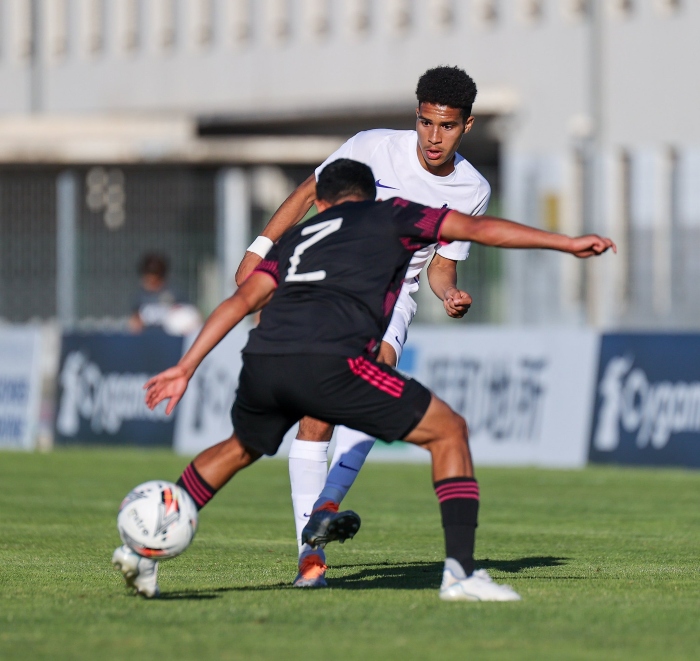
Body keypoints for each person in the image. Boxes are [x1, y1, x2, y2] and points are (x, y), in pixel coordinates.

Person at [112, 159, 616, 601]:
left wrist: (186, 366)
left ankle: (144, 550)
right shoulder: (393, 215)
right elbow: (477, 229)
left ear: (321, 203)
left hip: (265, 359)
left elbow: (241, 300)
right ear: (371, 197)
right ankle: (461, 576)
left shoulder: (296, 240)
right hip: (332, 363)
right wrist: (565, 243)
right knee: (449, 431)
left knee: (238, 448)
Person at [236, 66, 491, 586]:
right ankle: (310, 559)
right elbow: (309, 192)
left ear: (466, 125)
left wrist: (449, 294)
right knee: (316, 415)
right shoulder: (372, 146)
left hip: (392, 293)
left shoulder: (473, 188)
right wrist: (259, 249)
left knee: (378, 373)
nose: (433, 137)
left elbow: (441, 264)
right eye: (425, 122)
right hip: (329, 282)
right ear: (415, 115)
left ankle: (326, 505)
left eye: (446, 126)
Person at [129, 253, 200, 335]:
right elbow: (135, 321)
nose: (150, 281)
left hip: (173, 338)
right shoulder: (140, 297)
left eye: (155, 276)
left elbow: (191, 316)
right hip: (148, 337)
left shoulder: (174, 293)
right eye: (148, 276)